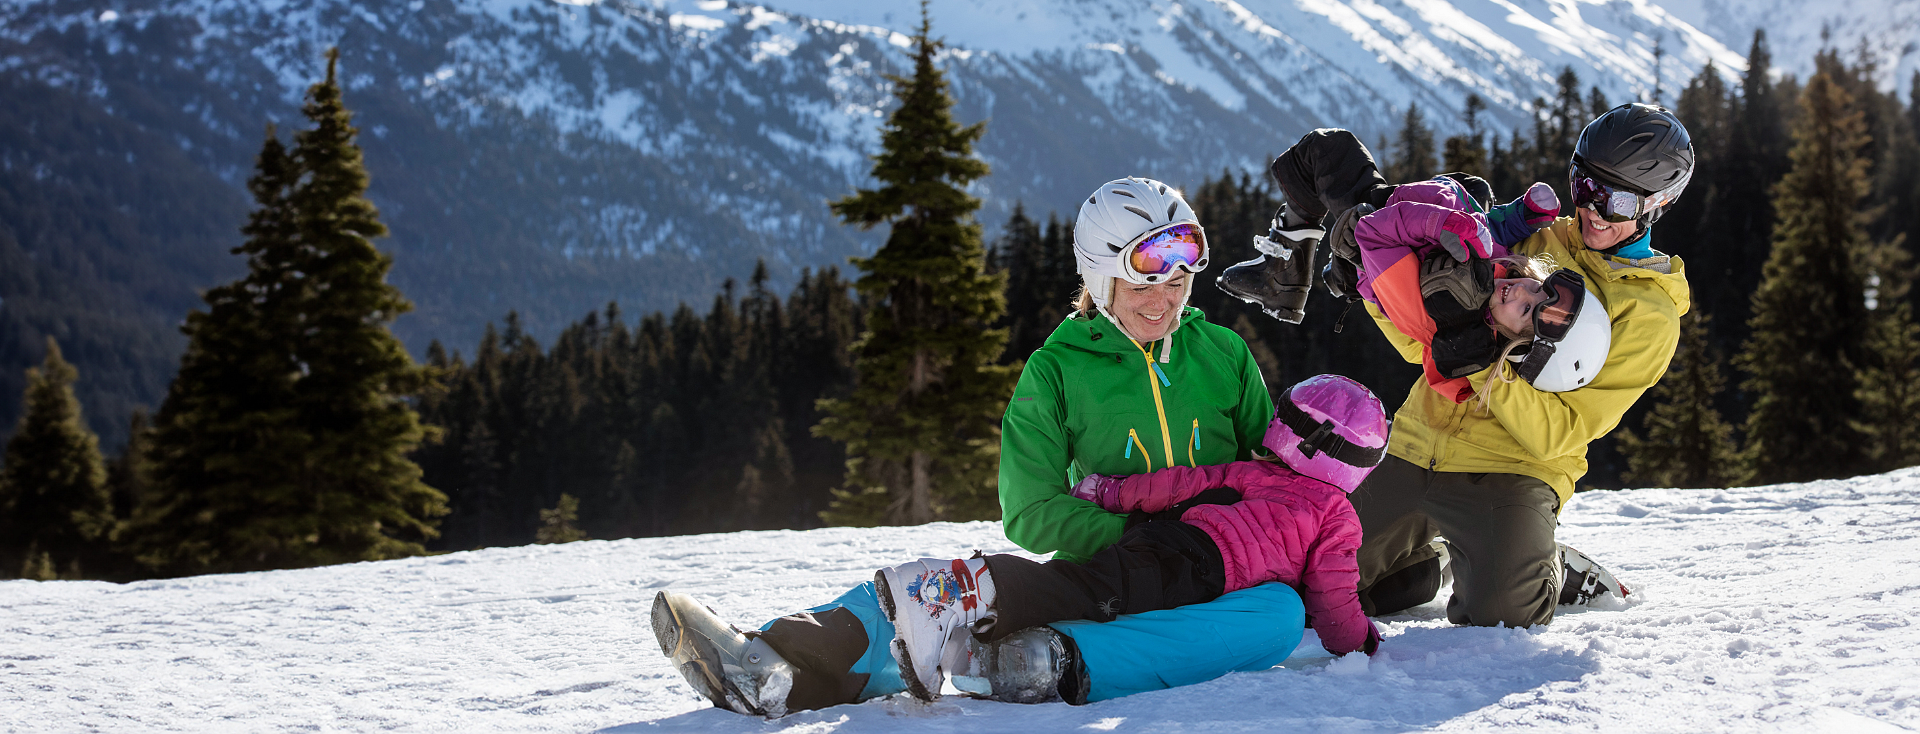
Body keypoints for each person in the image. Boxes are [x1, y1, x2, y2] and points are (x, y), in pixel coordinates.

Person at [652, 176, 1306, 716]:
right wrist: (1138, 529)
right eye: (1145, 282)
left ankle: (1050, 659)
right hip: (1111, 572)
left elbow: (1270, 475)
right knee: (951, 592)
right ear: (1101, 276)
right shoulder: (1057, 371)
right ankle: (776, 662)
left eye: (1181, 279)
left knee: (1280, 614)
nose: (1166, 298)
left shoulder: (1222, 354)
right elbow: (1031, 510)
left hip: (1219, 573)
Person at [1319, 103, 1693, 627]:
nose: (1593, 210)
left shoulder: (1647, 315)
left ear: (1659, 203)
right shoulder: (1535, 240)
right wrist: (1378, 290)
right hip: (1418, 443)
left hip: (1516, 469)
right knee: (1314, 589)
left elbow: (1560, 433)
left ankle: (1548, 569)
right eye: (1585, 187)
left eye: (1617, 200)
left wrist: (1477, 362)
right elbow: (1419, 343)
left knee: (1500, 615)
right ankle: (1431, 566)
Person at [877, 374, 1389, 700]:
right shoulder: (1336, 513)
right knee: (1085, 592)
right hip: (1198, 570)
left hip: (1168, 539)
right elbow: (1333, 590)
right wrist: (1357, 639)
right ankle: (938, 589)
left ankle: (968, 630)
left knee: (1087, 588)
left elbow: (1177, 484)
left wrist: (1110, 491)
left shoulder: (1252, 472)